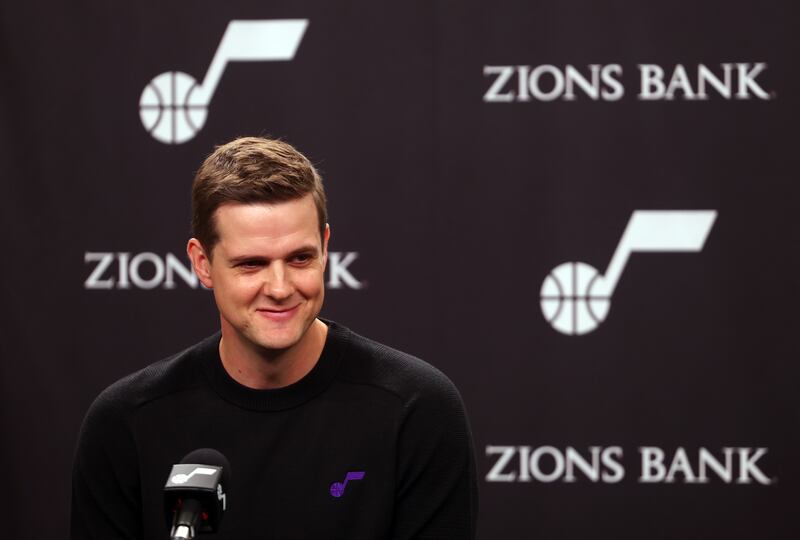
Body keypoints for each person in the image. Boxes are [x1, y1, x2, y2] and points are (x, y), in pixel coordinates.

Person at [71, 137, 478, 539]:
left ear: (326, 248)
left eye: (300, 258)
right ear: (202, 263)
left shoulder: (416, 410)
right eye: (251, 264)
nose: (280, 287)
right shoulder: (126, 422)